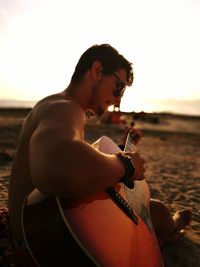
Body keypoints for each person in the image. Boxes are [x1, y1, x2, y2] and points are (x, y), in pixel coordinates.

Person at [7, 44, 191, 266]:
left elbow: (79, 154)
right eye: (119, 88)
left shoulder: (60, 108)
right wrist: (126, 166)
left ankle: (170, 224)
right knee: (156, 213)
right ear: (96, 71)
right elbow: (55, 167)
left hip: (42, 232)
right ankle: (172, 226)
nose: (119, 100)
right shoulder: (64, 108)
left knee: (154, 209)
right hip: (41, 242)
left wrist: (123, 148)